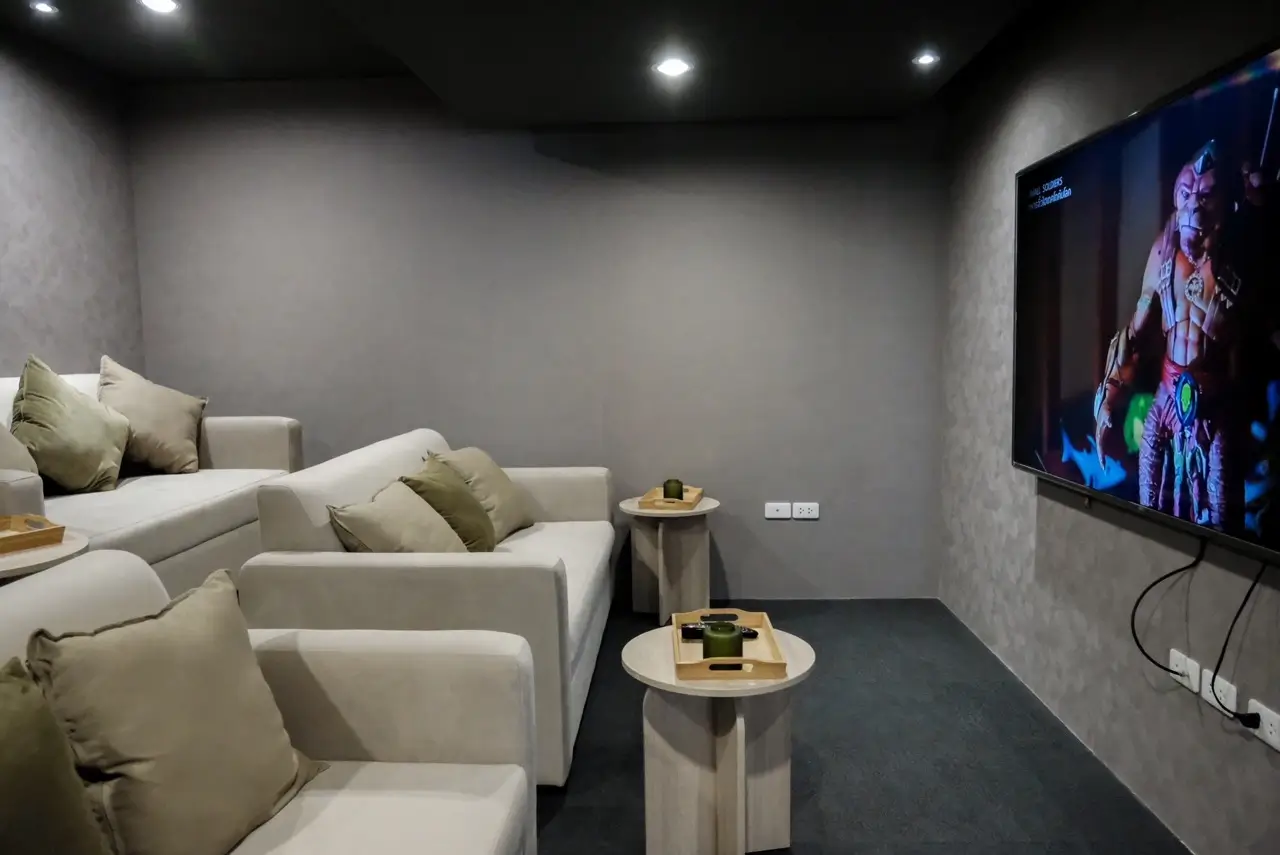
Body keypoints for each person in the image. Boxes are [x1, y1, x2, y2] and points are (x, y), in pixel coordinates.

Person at [1094, 140, 1273, 527]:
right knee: (1149, 504)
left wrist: (1262, 204)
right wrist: (1108, 397)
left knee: (1224, 518)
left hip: (1216, 403)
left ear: (1226, 203)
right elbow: (1134, 335)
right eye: (1187, 194)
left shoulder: (1240, 252)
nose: (1195, 206)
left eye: (1206, 196)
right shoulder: (1163, 252)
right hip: (1166, 396)